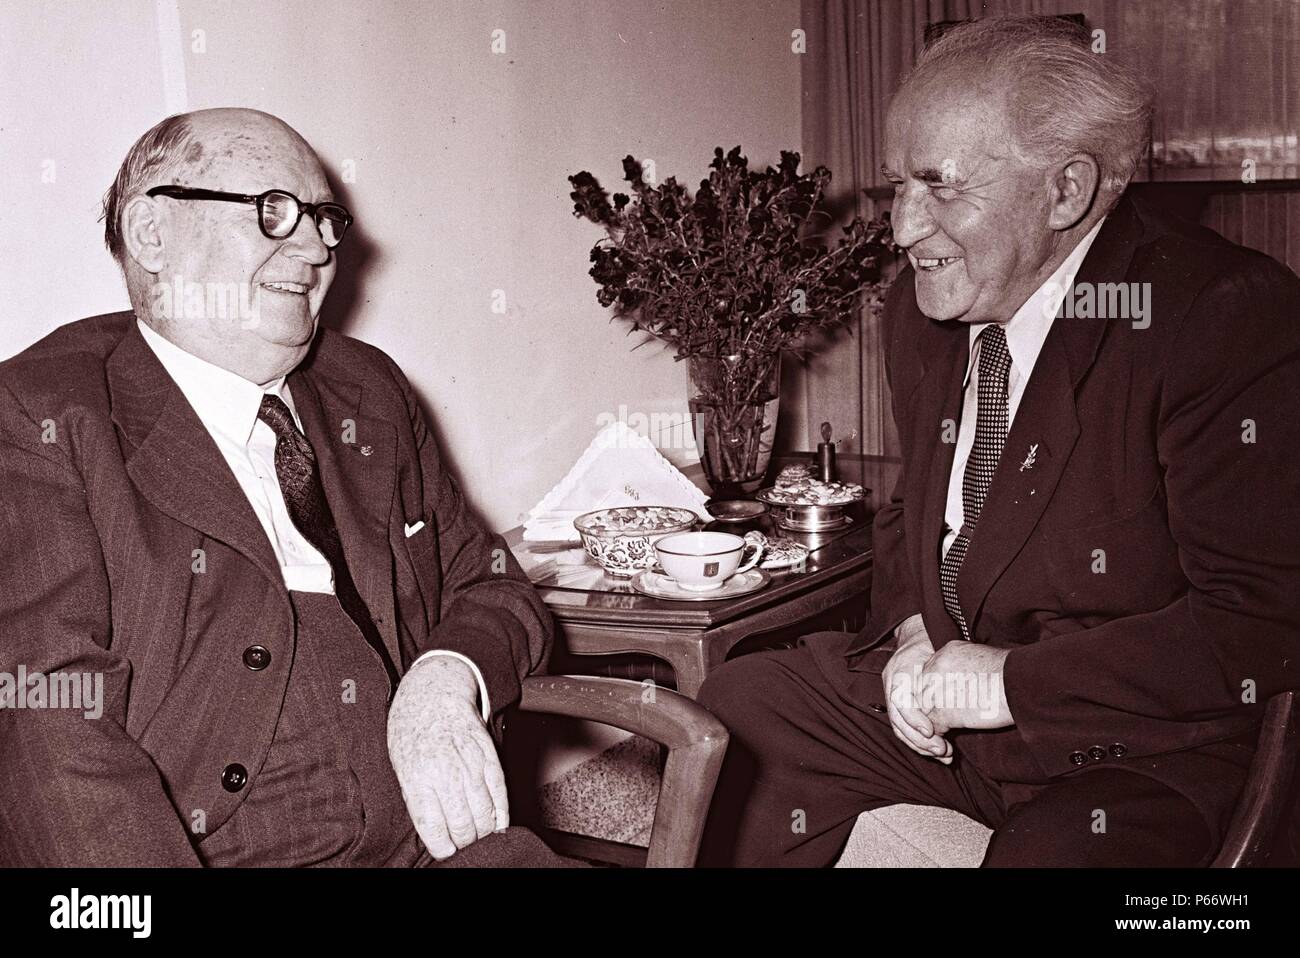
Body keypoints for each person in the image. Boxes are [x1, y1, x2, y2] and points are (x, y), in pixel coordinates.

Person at [698, 15, 1300, 867]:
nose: (903, 227)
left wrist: (1007, 683)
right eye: (900, 184)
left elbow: (1262, 620)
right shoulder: (927, 307)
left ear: (1067, 191)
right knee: (737, 709)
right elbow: (918, 510)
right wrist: (912, 629)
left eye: (941, 186)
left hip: (1140, 747)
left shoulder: (1218, 315)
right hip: (960, 716)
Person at [0, 108, 571, 867]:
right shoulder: (42, 414)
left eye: (325, 219)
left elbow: (493, 585)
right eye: (275, 213)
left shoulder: (366, 388)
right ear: (152, 233)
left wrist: (444, 678)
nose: (316, 248)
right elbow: (47, 712)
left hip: (434, 845)